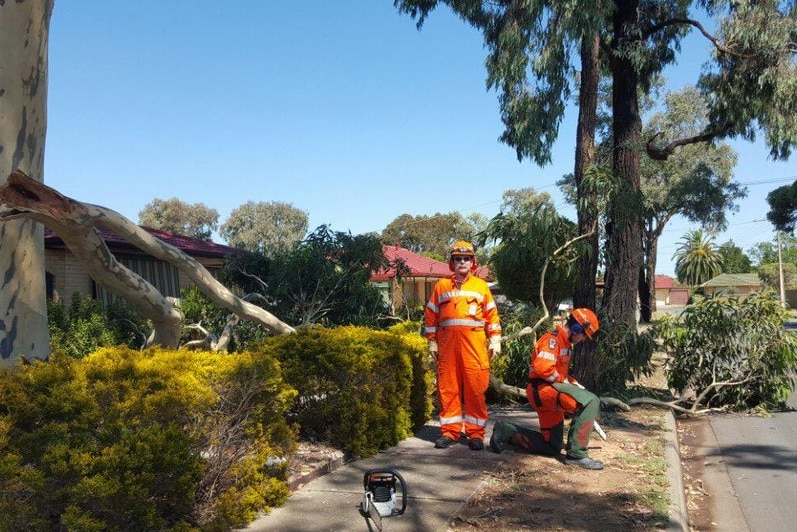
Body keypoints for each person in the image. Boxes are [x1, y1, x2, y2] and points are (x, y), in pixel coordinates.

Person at [489, 308, 605, 469]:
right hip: (543, 391)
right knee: (590, 401)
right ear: (577, 329)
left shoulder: (565, 343)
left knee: (552, 446)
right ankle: (577, 455)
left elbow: (559, 371)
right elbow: (543, 368)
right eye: (584, 334)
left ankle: (506, 431)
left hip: (546, 391)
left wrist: (572, 382)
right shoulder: (553, 341)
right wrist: (564, 381)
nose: (584, 339)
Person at [424, 240, 502, 450]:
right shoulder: (442, 286)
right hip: (447, 348)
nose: (462, 262)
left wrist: (495, 339)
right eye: (458, 258)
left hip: (474, 348)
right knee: (448, 389)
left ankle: (475, 434)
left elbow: (492, 315)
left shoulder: (481, 286)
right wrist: (431, 341)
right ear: (452, 262)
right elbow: (431, 314)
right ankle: (450, 432)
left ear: (472, 262)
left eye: (466, 258)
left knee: (476, 390)